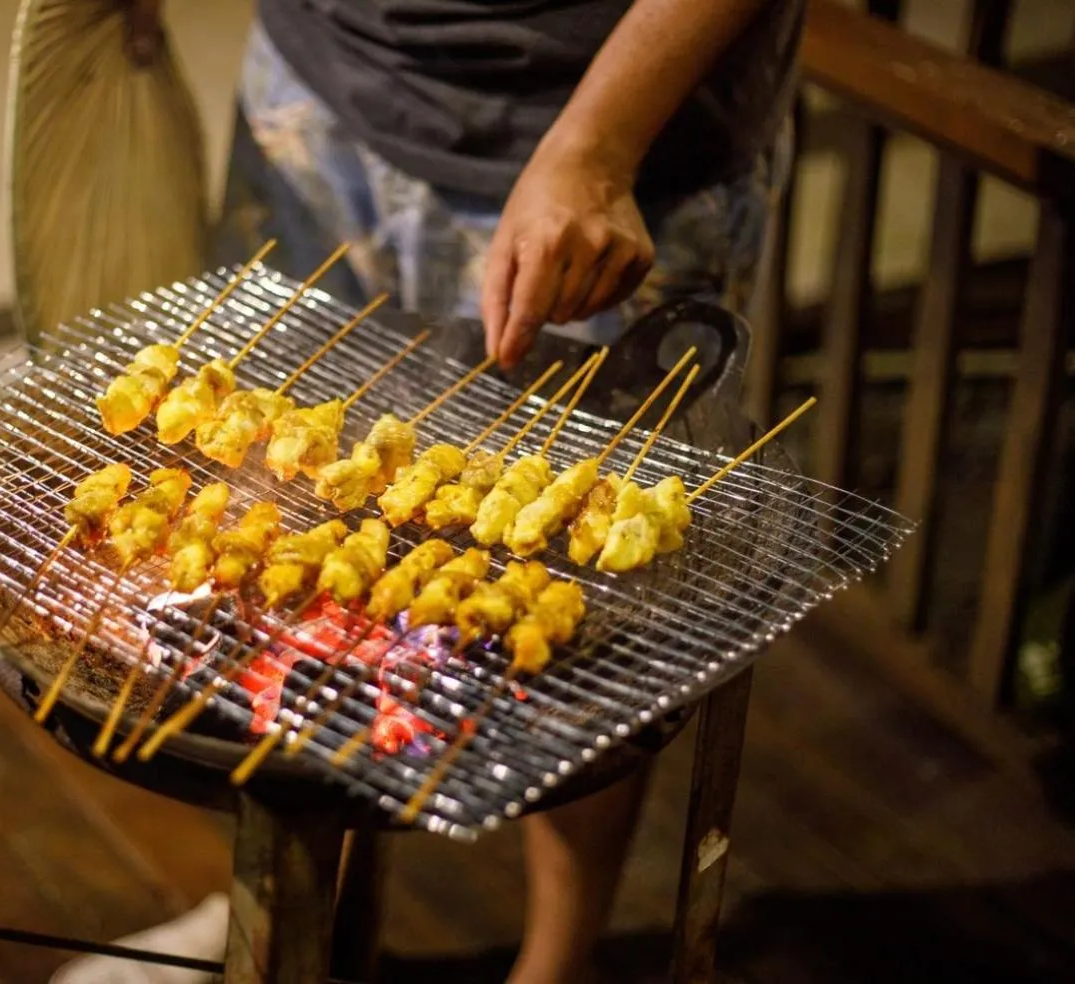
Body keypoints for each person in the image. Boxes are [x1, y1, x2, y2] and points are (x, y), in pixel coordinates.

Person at [59, 1, 802, 982]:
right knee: (270, 505)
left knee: (587, 632)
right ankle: (280, 911)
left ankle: (556, 964)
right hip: (319, 75)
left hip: (600, 128)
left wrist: (597, 146)